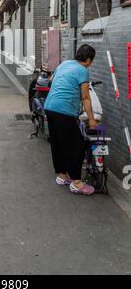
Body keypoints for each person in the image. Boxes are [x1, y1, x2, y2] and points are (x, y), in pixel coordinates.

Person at [44, 44, 98, 196]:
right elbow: (86, 97)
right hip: (64, 111)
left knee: (58, 143)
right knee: (77, 145)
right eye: (91, 60)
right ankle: (76, 182)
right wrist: (92, 120)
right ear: (88, 59)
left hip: (49, 106)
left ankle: (62, 175)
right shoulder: (83, 71)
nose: (91, 63)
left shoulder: (65, 64)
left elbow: (51, 79)